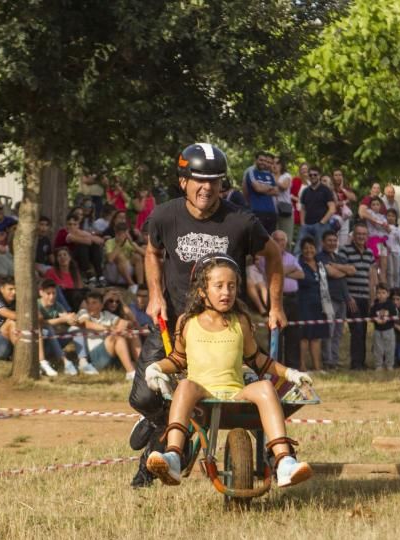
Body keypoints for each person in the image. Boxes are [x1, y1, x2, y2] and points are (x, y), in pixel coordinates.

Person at [128, 142, 285, 488]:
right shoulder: (165, 216)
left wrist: (275, 306)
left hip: (223, 329)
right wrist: (155, 296)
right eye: (198, 179)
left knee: (220, 394)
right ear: (183, 181)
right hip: (175, 324)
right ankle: (164, 424)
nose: (207, 187)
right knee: (141, 397)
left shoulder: (240, 221)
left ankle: (161, 457)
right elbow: (152, 252)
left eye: (214, 180)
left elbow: (273, 255)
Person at [142, 254, 313, 488]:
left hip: (235, 394)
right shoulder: (187, 322)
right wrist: (155, 367)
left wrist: (289, 373)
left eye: (232, 286)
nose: (227, 292)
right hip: (201, 395)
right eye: (219, 286)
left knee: (264, 387)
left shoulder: (240, 321)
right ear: (202, 290)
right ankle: (173, 456)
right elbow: (179, 359)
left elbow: (257, 359)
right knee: (185, 385)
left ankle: (284, 461)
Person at [315, 230, 353, 369]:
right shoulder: (319, 257)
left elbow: (352, 270)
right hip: (328, 299)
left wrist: (337, 267)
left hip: (342, 299)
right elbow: (332, 273)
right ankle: (328, 361)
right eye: (329, 240)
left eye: (334, 240)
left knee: (338, 332)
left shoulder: (338, 257)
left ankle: (335, 360)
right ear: (323, 242)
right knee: (328, 332)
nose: (332, 243)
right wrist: (343, 271)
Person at [340, 221, 375, 370]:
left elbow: (371, 276)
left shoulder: (369, 253)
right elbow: (340, 276)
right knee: (357, 330)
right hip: (352, 298)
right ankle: (355, 363)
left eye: (364, 234)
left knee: (364, 330)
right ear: (353, 236)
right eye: (358, 234)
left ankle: (361, 362)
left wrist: (372, 298)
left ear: (367, 236)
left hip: (365, 298)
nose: (361, 237)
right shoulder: (344, 251)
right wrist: (348, 297)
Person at [78, 291, 136, 378]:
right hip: (95, 358)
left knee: (132, 335)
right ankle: (131, 372)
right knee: (116, 338)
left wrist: (124, 326)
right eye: (88, 303)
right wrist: (108, 328)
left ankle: (142, 366)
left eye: (94, 303)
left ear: (101, 305)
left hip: (109, 355)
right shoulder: (83, 313)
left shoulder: (107, 315)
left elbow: (131, 322)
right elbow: (86, 324)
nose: (90, 306)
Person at [295, 236, 330, 372]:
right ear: (302, 250)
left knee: (316, 337)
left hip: (320, 304)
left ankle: (317, 367)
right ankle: (302, 366)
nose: (309, 250)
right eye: (306, 248)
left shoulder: (320, 264)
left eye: (311, 247)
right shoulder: (298, 265)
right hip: (304, 304)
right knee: (304, 337)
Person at [37, 279, 80, 377]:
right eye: (48, 293)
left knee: (75, 330)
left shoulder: (57, 305)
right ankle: (65, 362)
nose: (52, 296)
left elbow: (66, 317)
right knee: (48, 329)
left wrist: (73, 318)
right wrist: (63, 319)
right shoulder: (36, 305)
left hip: (53, 340)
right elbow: (42, 323)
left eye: (54, 293)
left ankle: (83, 361)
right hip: (40, 345)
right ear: (41, 293)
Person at [297, 166, 336, 252]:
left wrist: (322, 222)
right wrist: (302, 223)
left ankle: (319, 265)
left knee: (319, 250)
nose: (312, 177)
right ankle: (297, 265)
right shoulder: (305, 191)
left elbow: (332, 208)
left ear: (319, 176)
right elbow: (303, 208)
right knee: (299, 248)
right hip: (306, 225)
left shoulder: (326, 190)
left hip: (321, 225)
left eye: (315, 175)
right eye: (310, 175)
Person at [242, 151, 278, 235]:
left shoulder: (269, 174)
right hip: (257, 211)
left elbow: (276, 192)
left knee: (270, 240)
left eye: (265, 161)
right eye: (261, 160)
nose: (263, 163)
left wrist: (263, 188)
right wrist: (269, 187)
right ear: (256, 160)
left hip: (272, 212)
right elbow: (257, 188)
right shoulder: (251, 172)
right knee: (257, 238)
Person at [103, 219, 145, 290]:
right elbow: (110, 259)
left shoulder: (129, 242)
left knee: (137, 257)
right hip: (113, 271)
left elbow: (145, 254)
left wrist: (132, 243)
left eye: (124, 234)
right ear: (116, 233)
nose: (122, 236)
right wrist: (119, 244)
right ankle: (132, 284)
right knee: (120, 256)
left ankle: (140, 285)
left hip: (127, 269)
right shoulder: (109, 242)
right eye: (119, 234)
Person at [45, 246, 85, 310]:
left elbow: (80, 289)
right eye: (59, 255)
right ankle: (68, 311)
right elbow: (47, 288)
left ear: (70, 257)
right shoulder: (51, 272)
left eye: (65, 254)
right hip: (60, 299)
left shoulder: (75, 272)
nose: (62, 257)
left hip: (75, 298)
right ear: (57, 259)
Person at [371, 284, 397, 370]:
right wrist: (376, 320)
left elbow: (394, 314)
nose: (381, 295)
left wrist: (387, 317)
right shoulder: (374, 305)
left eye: (383, 293)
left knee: (390, 349)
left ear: (388, 294)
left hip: (389, 330)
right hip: (377, 331)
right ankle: (378, 365)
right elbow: (371, 316)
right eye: (378, 293)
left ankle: (389, 365)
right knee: (378, 349)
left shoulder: (391, 304)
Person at [271, 154, 294, 243]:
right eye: (273, 163)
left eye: (277, 163)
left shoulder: (286, 176)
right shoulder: (268, 175)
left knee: (286, 239)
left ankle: (287, 256)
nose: (275, 165)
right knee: (274, 239)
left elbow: (284, 186)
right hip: (272, 211)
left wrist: (273, 178)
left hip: (285, 211)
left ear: (282, 165)